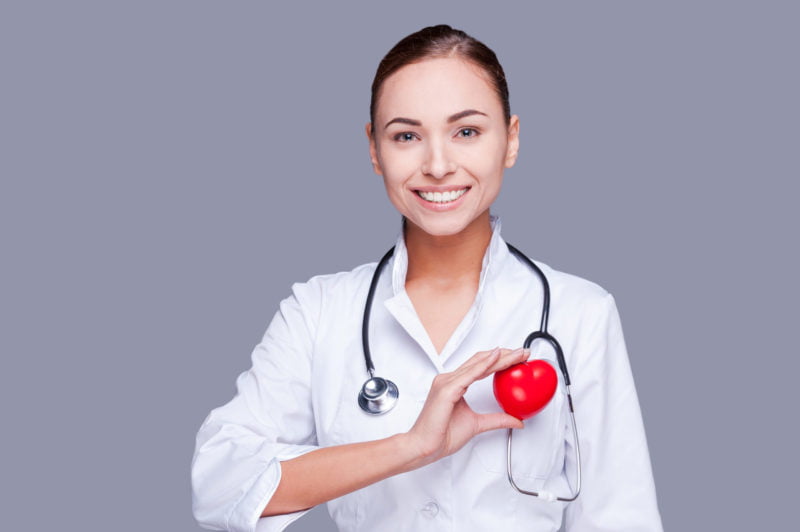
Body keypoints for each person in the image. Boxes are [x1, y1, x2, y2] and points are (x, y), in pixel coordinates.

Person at [191, 24, 663, 532]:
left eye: (467, 131)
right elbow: (219, 484)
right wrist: (411, 448)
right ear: (374, 149)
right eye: (407, 136)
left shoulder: (580, 312)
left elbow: (623, 517)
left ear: (511, 139)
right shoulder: (318, 311)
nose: (437, 165)